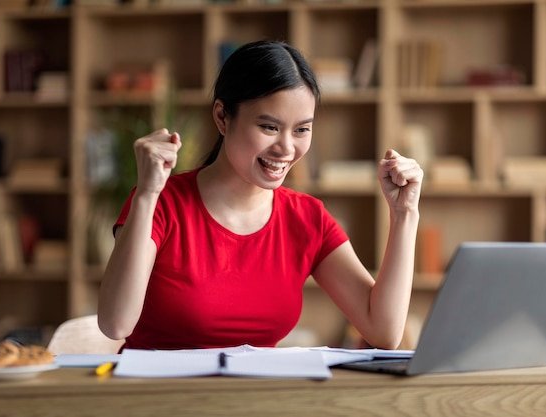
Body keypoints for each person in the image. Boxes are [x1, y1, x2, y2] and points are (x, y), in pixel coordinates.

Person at [97, 40, 423, 351]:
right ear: (222, 117)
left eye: (301, 130)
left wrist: (405, 214)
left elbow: (383, 332)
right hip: (157, 401)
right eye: (269, 127)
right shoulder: (162, 202)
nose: (286, 148)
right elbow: (116, 324)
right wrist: (147, 194)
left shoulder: (307, 218)